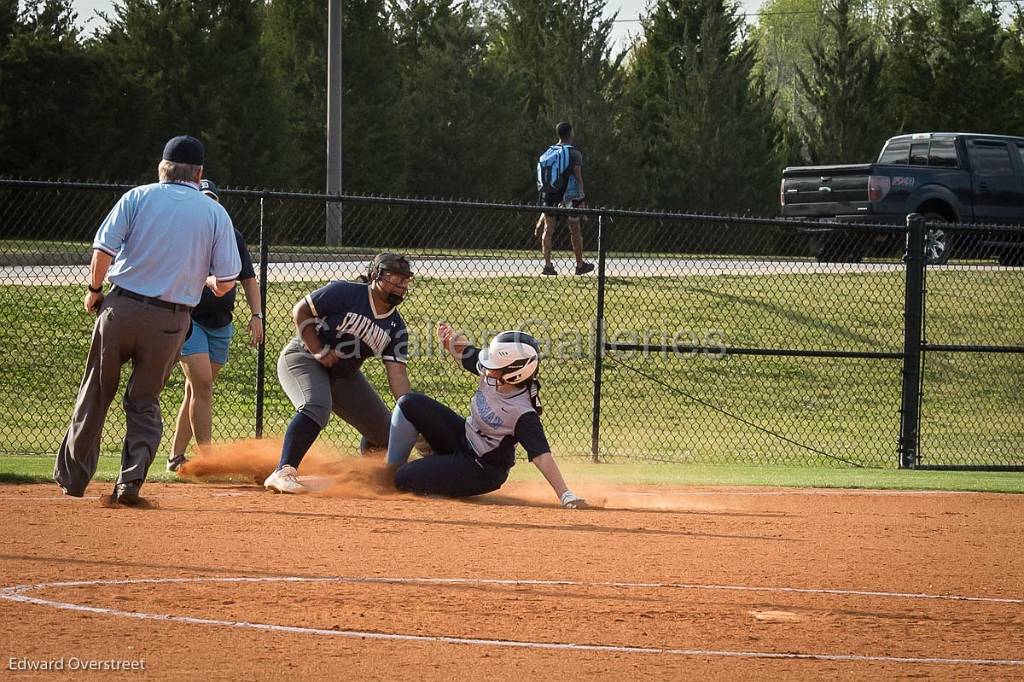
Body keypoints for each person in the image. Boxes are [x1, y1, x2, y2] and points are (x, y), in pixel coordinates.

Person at [53, 135, 242, 505]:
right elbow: (226, 282)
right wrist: (202, 281)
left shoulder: (138, 196)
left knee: (96, 392)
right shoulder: (214, 212)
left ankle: (73, 480)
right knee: (144, 400)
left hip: (121, 308)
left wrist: (94, 289)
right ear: (199, 172)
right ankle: (129, 483)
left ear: (163, 168)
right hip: (170, 322)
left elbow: (103, 249)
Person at [385, 324, 588, 508]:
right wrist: (450, 339)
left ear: (515, 373)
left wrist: (566, 495)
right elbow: (466, 353)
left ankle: (438, 477)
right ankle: (390, 470)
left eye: (494, 368)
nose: (486, 369)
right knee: (409, 403)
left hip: (481, 468)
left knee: (404, 479)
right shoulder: (494, 368)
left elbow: (542, 457)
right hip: (464, 437)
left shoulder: (522, 412)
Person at [264, 253, 414, 494]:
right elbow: (301, 311)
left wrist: (411, 410)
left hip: (343, 376)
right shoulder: (346, 292)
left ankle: (368, 475)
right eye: (394, 279)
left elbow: (397, 374)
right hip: (304, 357)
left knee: (388, 435)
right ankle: (283, 470)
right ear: (375, 276)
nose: (401, 286)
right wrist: (319, 350)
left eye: (405, 281)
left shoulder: (396, 327)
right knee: (316, 406)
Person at [167, 179, 264, 472]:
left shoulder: (232, 235)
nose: (209, 204)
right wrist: (206, 281)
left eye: (213, 199)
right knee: (203, 386)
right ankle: (208, 460)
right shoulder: (185, 235)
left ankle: (174, 458)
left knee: (195, 391)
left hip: (221, 325)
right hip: (190, 320)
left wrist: (257, 315)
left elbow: (248, 278)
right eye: (203, 198)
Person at [537, 121, 594, 277]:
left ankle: (547, 265)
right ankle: (579, 264)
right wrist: (581, 198)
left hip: (549, 194)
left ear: (558, 134)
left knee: (548, 230)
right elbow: (578, 178)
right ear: (571, 133)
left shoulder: (549, 152)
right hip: (568, 195)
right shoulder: (574, 153)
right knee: (575, 228)